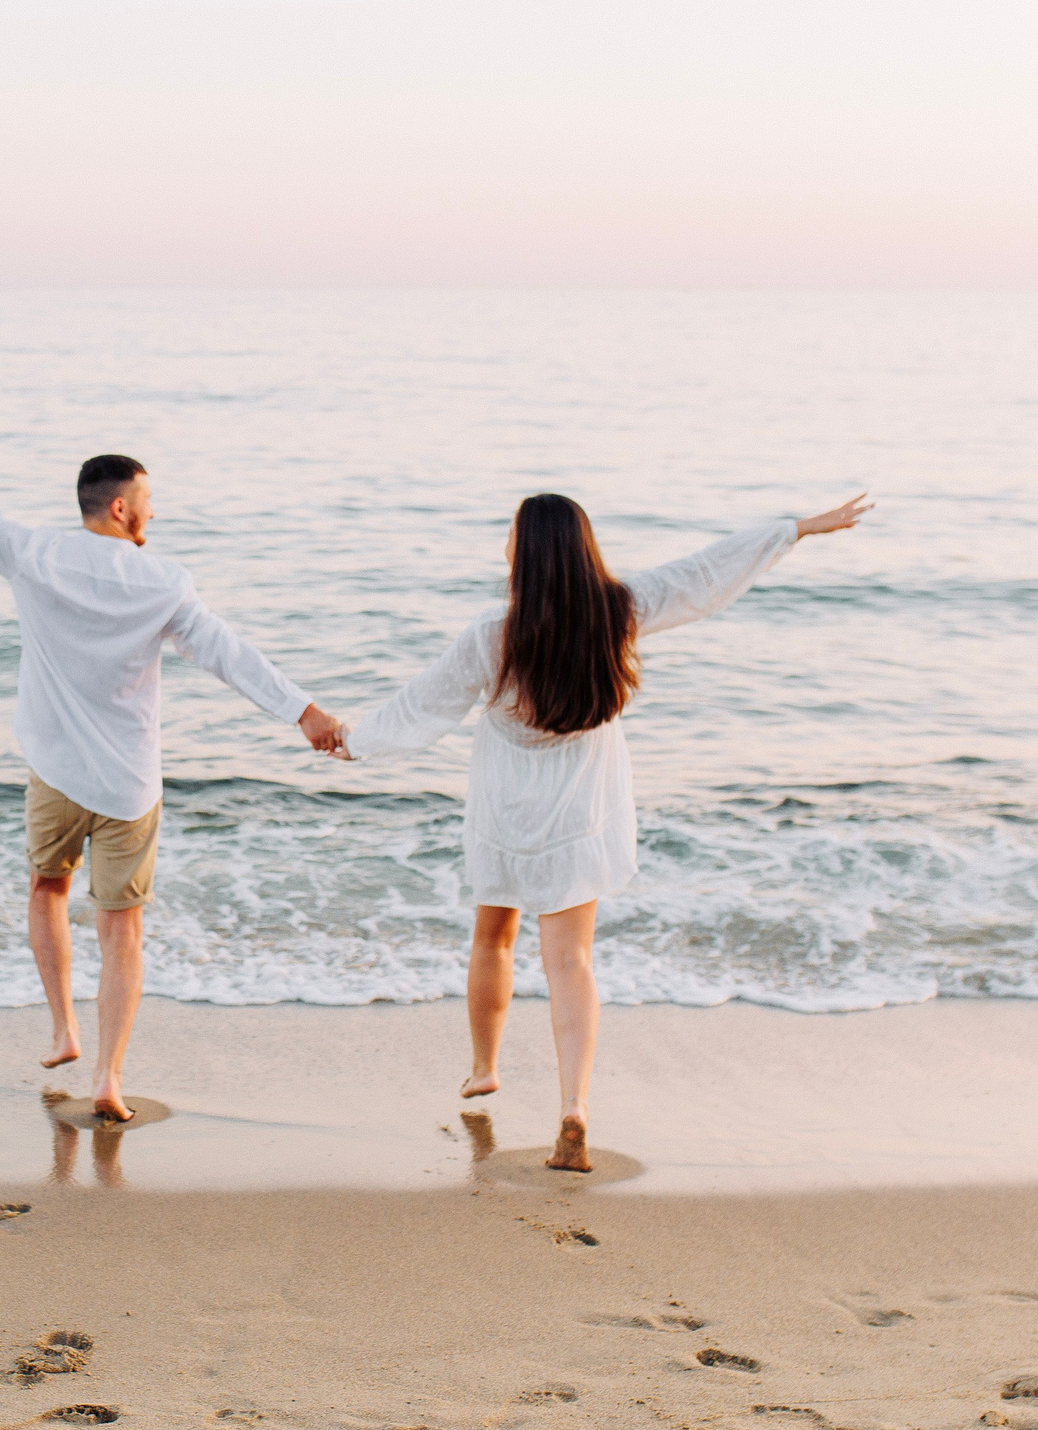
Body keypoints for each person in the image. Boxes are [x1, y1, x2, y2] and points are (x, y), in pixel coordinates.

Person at [0, 392, 346, 1121]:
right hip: (129, 784)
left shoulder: (32, 552)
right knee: (122, 927)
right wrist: (304, 712)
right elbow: (229, 654)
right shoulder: (164, 582)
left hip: (54, 771)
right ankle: (108, 1076)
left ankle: (62, 1027)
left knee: (47, 888)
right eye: (146, 502)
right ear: (118, 510)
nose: (152, 514)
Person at [343, 490, 870, 1170]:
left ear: (523, 553)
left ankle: (483, 1066)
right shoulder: (618, 612)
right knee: (572, 961)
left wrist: (350, 739)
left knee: (493, 936)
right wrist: (794, 529)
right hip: (579, 814)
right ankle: (574, 1106)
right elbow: (705, 575)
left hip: (507, 815)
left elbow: (420, 706)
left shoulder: (491, 636)